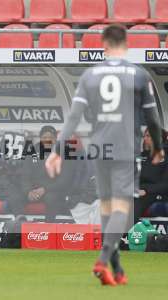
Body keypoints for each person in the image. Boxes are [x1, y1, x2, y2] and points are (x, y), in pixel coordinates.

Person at [45, 24, 164, 286]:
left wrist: (57, 150)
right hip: (124, 148)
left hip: (98, 149)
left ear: (104, 46)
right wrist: (158, 147)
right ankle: (102, 258)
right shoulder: (138, 74)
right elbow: (153, 119)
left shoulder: (91, 75)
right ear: (127, 45)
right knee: (121, 207)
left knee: (107, 207)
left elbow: (74, 117)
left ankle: (116, 268)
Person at [134, 129, 168, 222]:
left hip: (155, 195)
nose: (144, 139)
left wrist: (145, 189)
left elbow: (165, 185)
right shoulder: (140, 157)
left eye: (148, 136)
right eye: (144, 136)